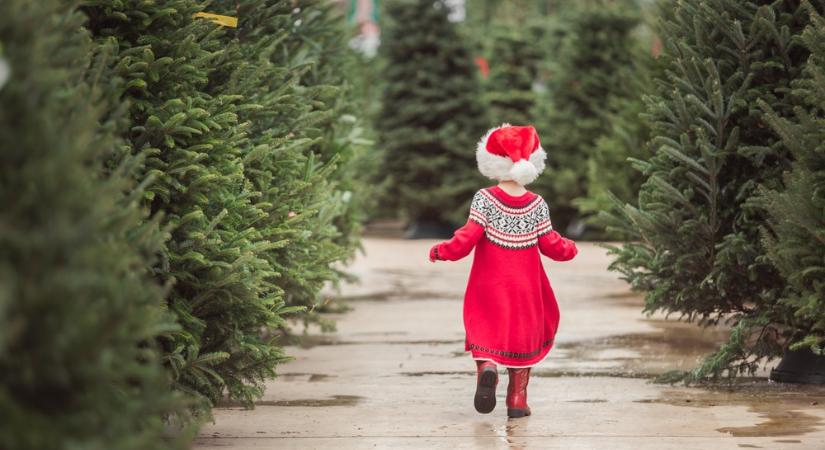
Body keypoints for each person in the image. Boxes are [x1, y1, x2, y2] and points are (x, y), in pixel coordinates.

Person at [428, 124, 578, 418]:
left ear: (491, 162)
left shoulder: (484, 199)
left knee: (486, 331)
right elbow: (553, 246)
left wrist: (441, 251)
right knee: (523, 337)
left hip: (488, 285)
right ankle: (517, 400)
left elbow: (466, 238)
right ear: (533, 162)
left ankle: (487, 368)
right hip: (526, 288)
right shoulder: (537, 204)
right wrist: (571, 247)